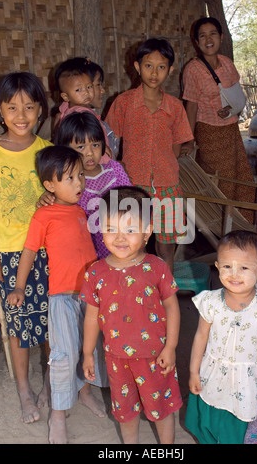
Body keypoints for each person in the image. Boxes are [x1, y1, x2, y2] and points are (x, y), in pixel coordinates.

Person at [7, 146, 107, 444]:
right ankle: (58, 416)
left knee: (90, 348)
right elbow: (28, 252)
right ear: (49, 185)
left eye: (79, 177)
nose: (79, 183)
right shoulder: (44, 215)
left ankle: (85, 392)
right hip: (62, 297)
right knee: (63, 355)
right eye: (70, 178)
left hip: (90, 297)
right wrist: (20, 286)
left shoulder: (80, 210)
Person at [80, 186, 183, 444]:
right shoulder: (95, 273)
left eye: (130, 229)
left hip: (155, 356)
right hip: (116, 359)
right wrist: (87, 353)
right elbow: (92, 316)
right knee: (125, 412)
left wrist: (170, 347)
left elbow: (172, 308)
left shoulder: (157, 267)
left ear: (147, 232)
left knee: (161, 407)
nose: (120, 238)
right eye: (111, 228)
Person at [185, 230, 257, 444]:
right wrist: (194, 372)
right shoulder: (210, 302)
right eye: (228, 266)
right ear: (218, 266)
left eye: (244, 267)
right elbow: (200, 337)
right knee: (207, 422)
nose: (234, 274)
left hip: (246, 384)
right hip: (211, 376)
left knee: (238, 431)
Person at [105, 38, 193, 272]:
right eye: (148, 65)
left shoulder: (175, 107)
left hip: (168, 186)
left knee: (166, 246)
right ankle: (132, 294)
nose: (154, 72)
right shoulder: (123, 103)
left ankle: (166, 293)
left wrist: (164, 166)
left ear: (170, 70)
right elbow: (110, 142)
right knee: (131, 243)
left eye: (161, 67)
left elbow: (177, 146)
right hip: (132, 184)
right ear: (137, 67)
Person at [0, 71, 52, 424]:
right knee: (18, 326)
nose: (21, 115)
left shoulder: (47, 152)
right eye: (12, 107)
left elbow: (66, 197)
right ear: (0, 110)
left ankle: (50, 383)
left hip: (47, 253)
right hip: (7, 254)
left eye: (29, 107)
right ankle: (23, 388)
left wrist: (53, 196)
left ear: (40, 110)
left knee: (51, 323)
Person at [182, 17, 255, 222]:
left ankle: (244, 228)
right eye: (202, 35)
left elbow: (237, 96)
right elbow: (191, 106)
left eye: (212, 33)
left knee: (242, 179)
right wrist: (189, 139)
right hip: (209, 133)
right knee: (221, 183)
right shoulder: (193, 70)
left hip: (231, 131)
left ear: (221, 37)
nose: (208, 39)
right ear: (197, 42)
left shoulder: (227, 63)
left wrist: (232, 110)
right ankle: (222, 230)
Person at [40, 111, 131, 258]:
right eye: (81, 147)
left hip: (122, 250)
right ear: (66, 150)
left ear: (103, 144)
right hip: (87, 256)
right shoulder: (65, 184)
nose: (89, 153)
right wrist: (49, 195)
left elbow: (133, 203)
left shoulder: (115, 170)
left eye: (95, 145)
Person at [53, 57, 112, 161]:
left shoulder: (67, 109)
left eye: (89, 87)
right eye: (78, 90)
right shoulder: (81, 115)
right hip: (91, 164)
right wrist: (100, 146)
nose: (86, 92)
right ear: (65, 96)